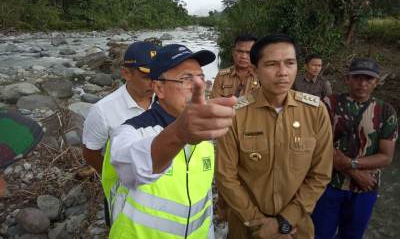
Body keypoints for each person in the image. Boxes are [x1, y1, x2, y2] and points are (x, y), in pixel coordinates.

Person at [109, 44, 236, 238]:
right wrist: (179, 134)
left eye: (201, 77)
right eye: (186, 79)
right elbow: (130, 169)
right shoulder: (130, 131)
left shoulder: (204, 136)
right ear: (159, 88)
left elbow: (204, 200)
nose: (196, 86)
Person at [216, 34, 333, 239]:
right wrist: (258, 224)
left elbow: (320, 174)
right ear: (254, 70)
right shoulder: (236, 114)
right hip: (246, 229)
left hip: (296, 229)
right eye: (271, 64)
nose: (282, 73)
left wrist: (285, 221)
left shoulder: (316, 111)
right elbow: (226, 176)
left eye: (289, 63)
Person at [311, 58, 398, 239]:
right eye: (357, 77)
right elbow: (319, 146)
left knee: (352, 235)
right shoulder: (329, 104)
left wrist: (349, 163)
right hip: (328, 184)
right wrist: (355, 171)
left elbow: (386, 157)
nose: (362, 83)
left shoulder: (385, 111)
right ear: (347, 78)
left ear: (376, 82)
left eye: (369, 79)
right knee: (319, 233)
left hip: (365, 189)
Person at [82, 41, 158, 224]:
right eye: (147, 76)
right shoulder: (103, 111)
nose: (155, 83)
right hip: (125, 193)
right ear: (126, 73)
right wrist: (118, 175)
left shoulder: (165, 101)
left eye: (159, 75)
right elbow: (90, 152)